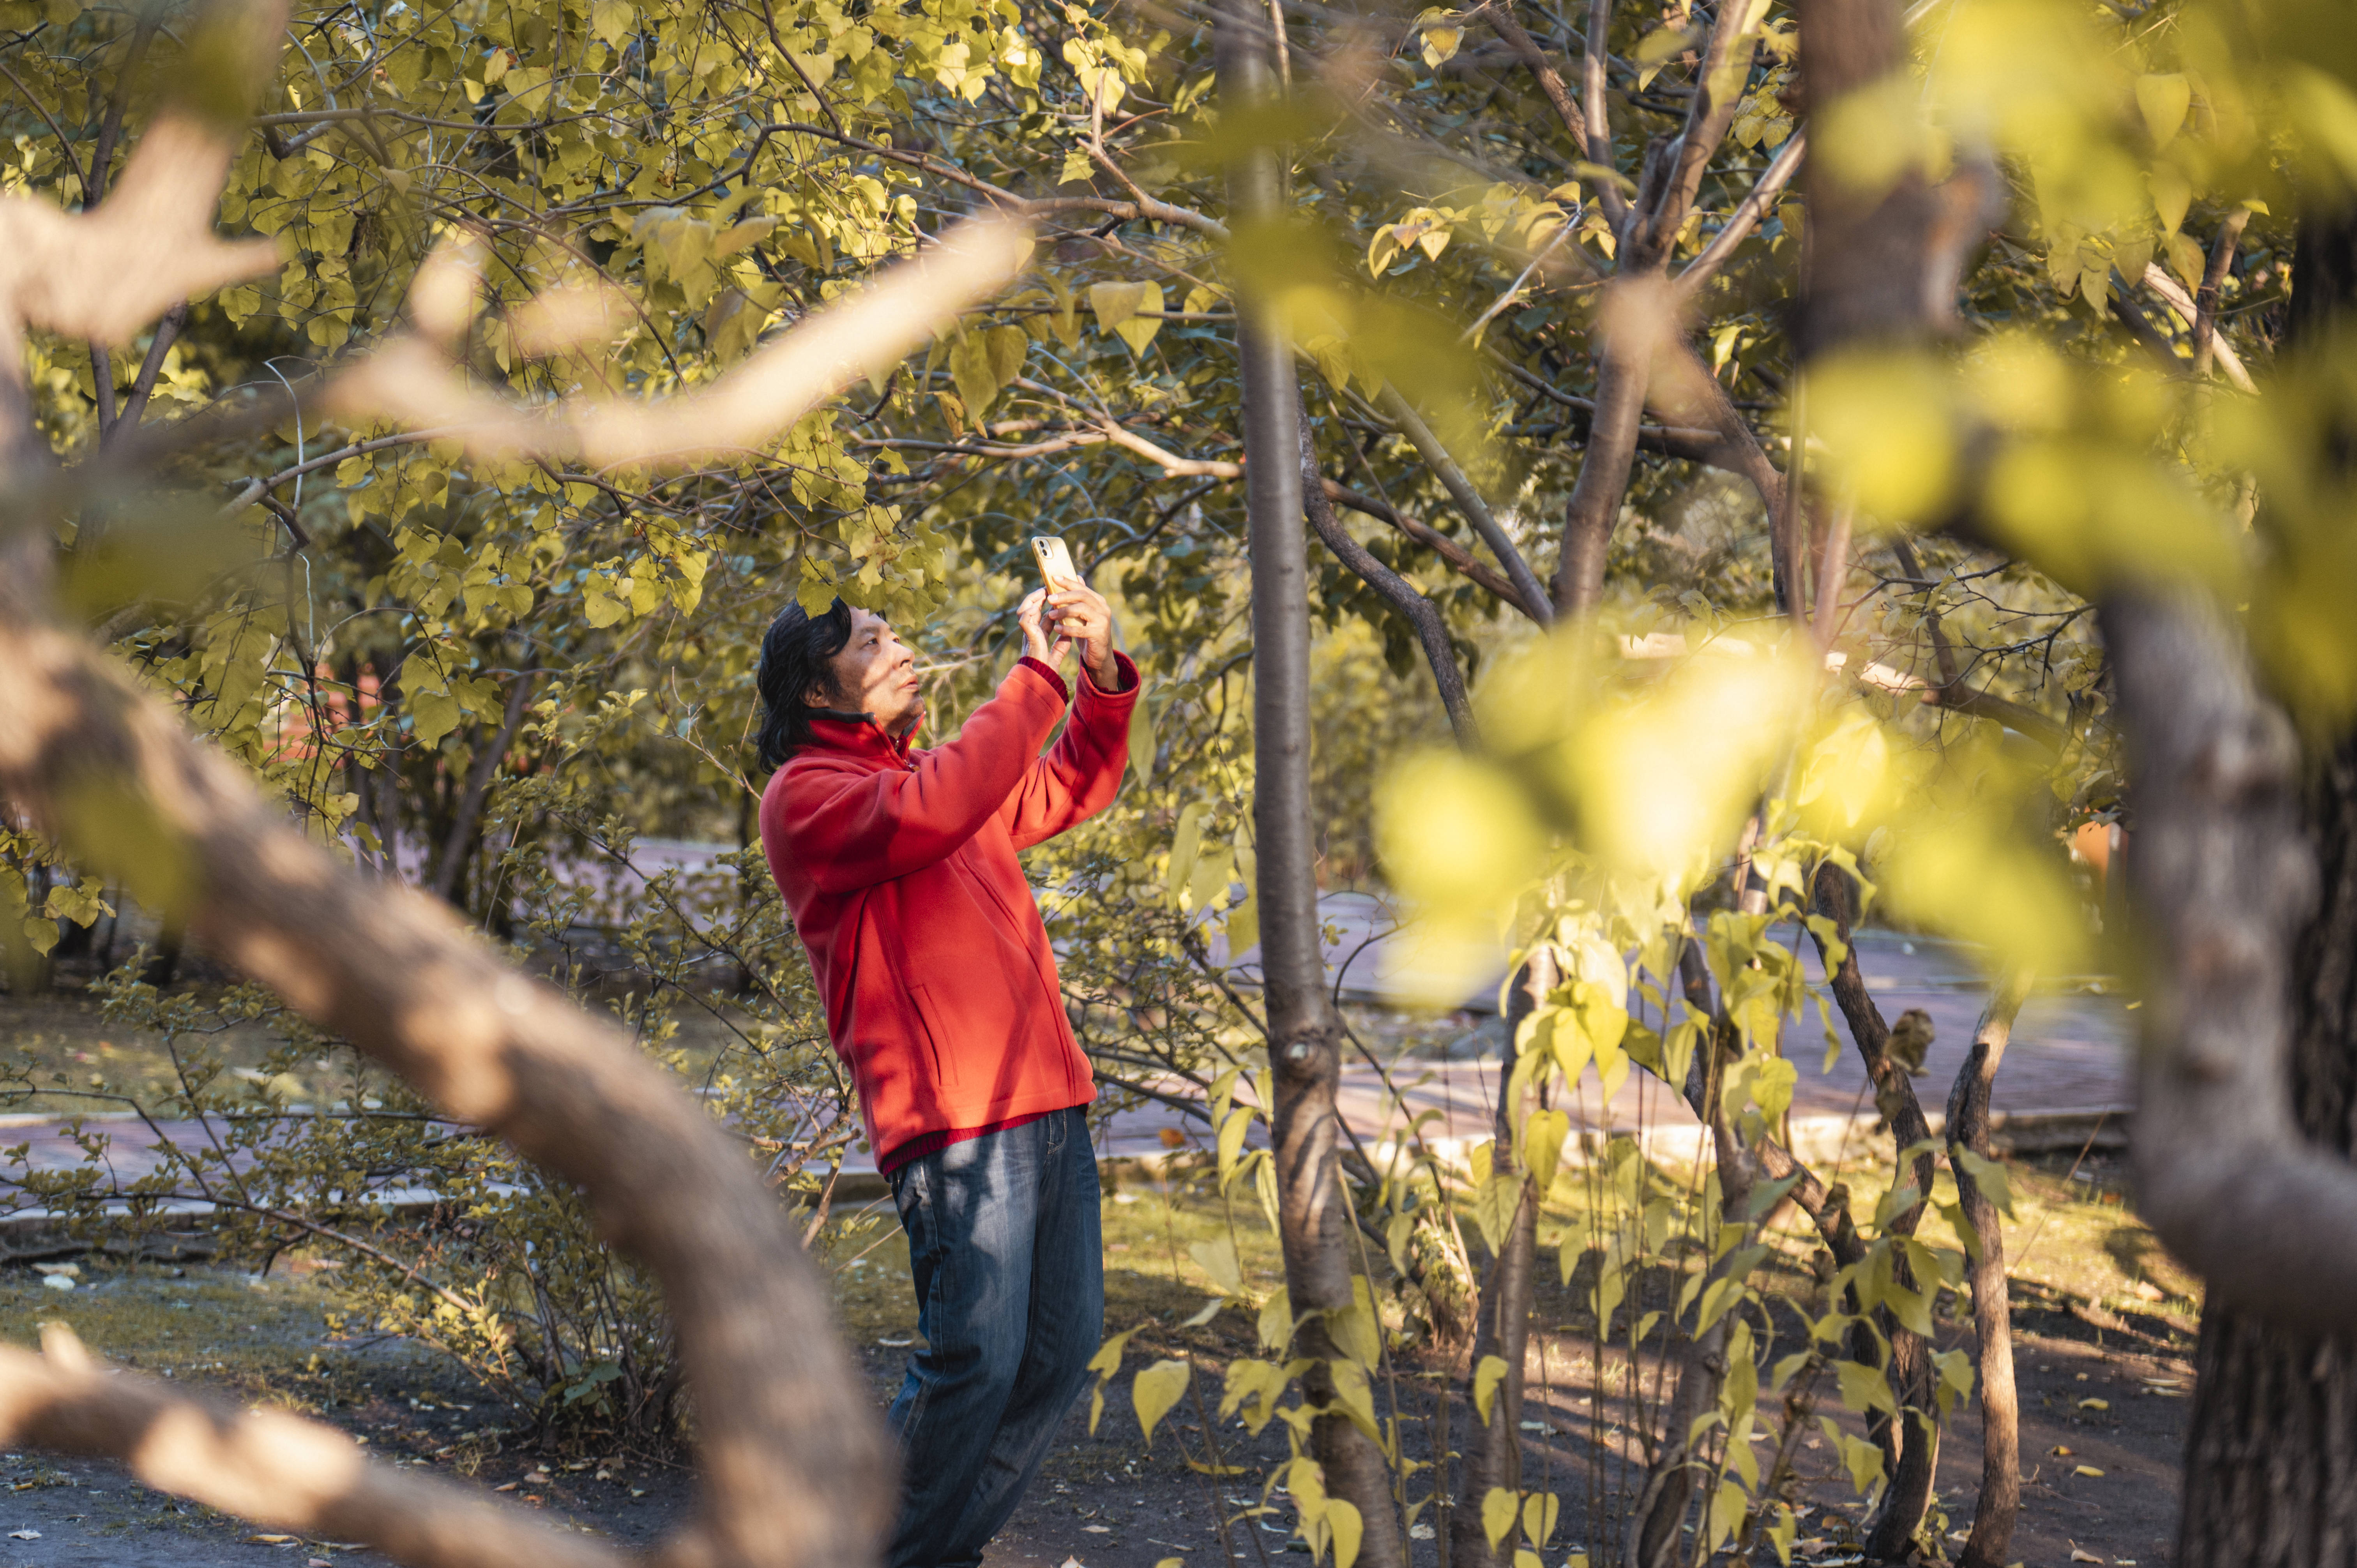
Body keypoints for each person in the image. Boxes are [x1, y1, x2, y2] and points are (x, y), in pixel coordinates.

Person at [754, 574, 1138, 1568]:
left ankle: (922, 1551)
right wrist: (1034, 675)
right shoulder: (808, 797)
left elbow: (1064, 787)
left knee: (1053, 1359)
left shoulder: (924, 774)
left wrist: (1094, 675)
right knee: (973, 1359)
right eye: (872, 644)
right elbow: (942, 801)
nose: (901, 650)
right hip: (957, 1123)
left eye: (893, 634)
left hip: (1048, 1098)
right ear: (816, 691)